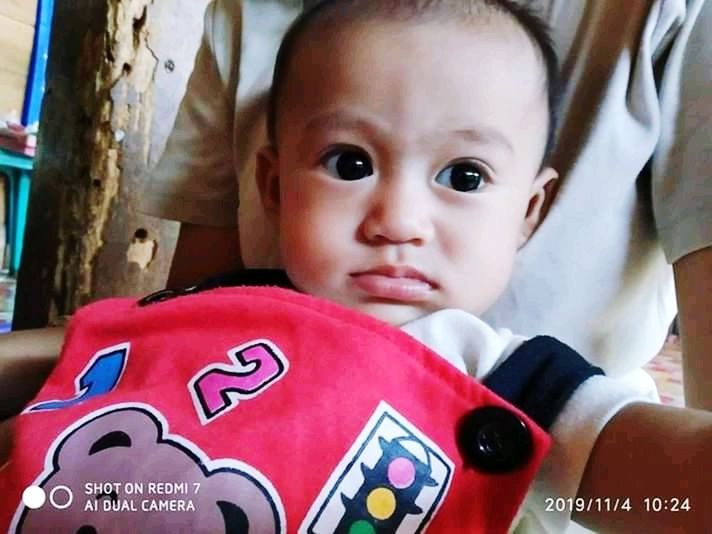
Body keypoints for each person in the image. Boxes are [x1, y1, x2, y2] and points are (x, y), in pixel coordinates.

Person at [1, 2, 711, 532]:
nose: (397, 221)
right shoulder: (221, 308)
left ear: (528, 211)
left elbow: (662, 476)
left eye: (464, 177)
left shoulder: (500, 377)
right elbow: (93, 350)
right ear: (275, 187)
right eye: (350, 164)